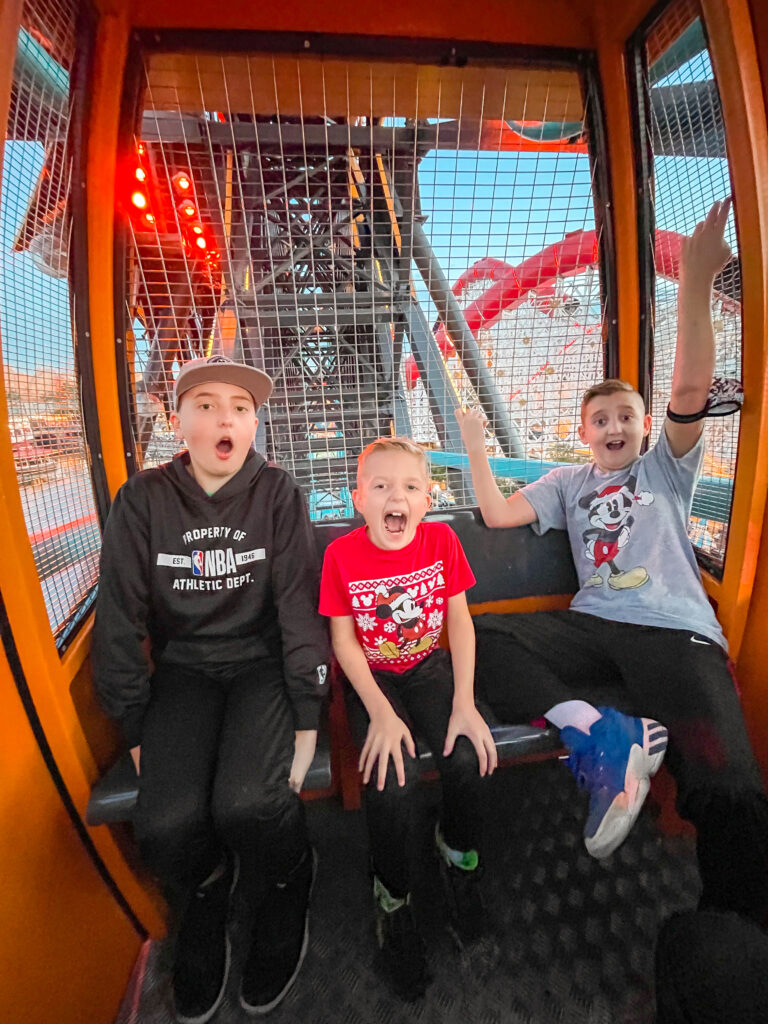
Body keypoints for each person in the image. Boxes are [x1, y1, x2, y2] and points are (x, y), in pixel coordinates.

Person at [456, 199, 768, 925]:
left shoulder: (665, 471)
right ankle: (600, 734)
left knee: (728, 787)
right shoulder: (567, 483)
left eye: (628, 415)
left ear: (641, 426)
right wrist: (475, 444)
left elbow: (690, 392)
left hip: (670, 630)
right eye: (602, 419)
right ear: (584, 434)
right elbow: (500, 514)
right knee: (484, 638)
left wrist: (693, 281)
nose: (617, 426)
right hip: (594, 624)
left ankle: (736, 937)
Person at [92, 355, 329, 1022]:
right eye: (206, 404)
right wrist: (135, 727)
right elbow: (118, 620)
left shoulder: (278, 493)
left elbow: (297, 608)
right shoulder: (141, 501)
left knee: (250, 803)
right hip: (186, 671)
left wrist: (308, 712)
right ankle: (206, 887)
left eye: (241, 407)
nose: (226, 416)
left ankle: (289, 878)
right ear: (178, 423)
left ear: (254, 425)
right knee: (165, 821)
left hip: (260, 665)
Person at [319, 437, 497, 999]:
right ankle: (393, 897)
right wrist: (378, 711)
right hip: (373, 679)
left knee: (465, 756)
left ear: (426, 501)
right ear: (359, 500)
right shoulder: (341, 556)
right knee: (390, 780)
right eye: (381, 486)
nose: (397, 497)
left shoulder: (441, 541)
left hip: (429, 668)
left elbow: (460, 623)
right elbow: (344, 643)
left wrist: (464, 701)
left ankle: (457, 855)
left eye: (411, 487)